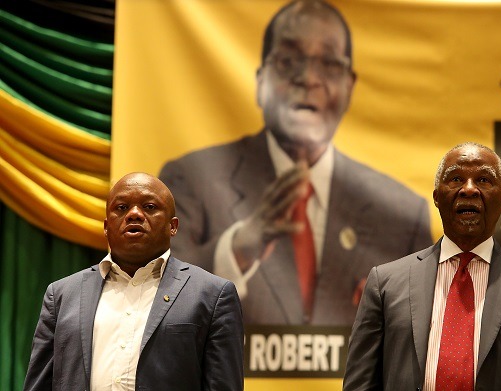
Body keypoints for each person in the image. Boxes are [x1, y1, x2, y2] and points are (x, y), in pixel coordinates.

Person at [159, 0, 432, 326]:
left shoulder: (402, 216)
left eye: (329, 63)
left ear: (349, 87)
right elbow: (158, 298)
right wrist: (239, 248)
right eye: (289, 61)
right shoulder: (189, 180)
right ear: (260, 83)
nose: (308, 78)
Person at [343, 142, 501, 390]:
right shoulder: (384, 283)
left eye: (484, 180)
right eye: (455, 178)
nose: (469, 189)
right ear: (436, 197)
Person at [23, 173, 244, 391]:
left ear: (173, 226)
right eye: (121, 208)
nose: (134, 214)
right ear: (106, 226)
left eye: (149, 207)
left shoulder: (213, 295)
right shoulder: (62, 295)